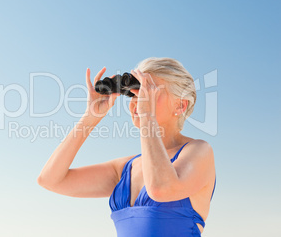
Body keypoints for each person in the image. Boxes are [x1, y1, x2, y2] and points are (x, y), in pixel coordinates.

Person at [37, 57, 216, 237]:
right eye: (134, 94)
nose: (137, 101)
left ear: (180, 105)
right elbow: (50, 180)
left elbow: (160, 188)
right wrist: (90, 117)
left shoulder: (199, 151)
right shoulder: (125, 169)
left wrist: (147, 116)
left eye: (148, 92)